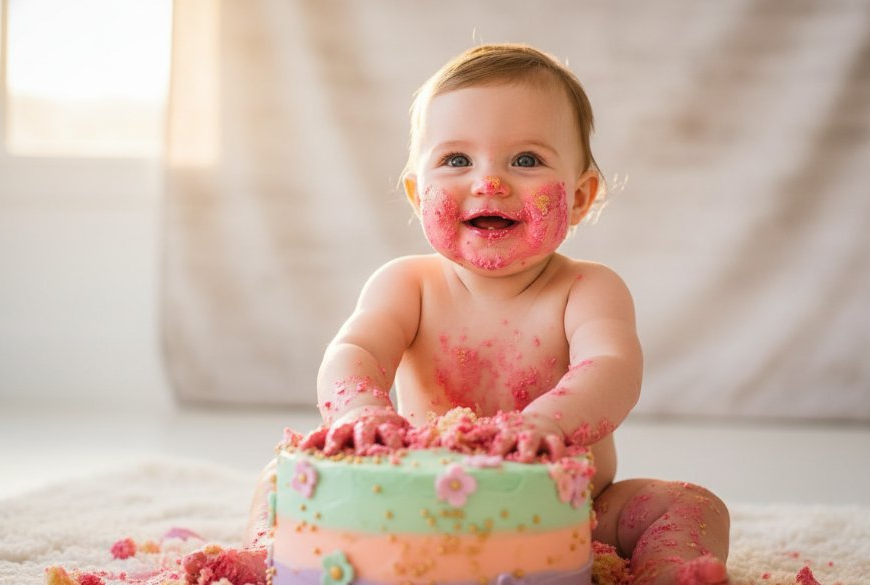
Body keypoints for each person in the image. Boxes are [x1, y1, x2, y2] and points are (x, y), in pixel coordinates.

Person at [248, 43, 730, 585]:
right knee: (277, 482)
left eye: (526, 160)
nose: (489, 182)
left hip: (568, 510)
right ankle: (269, 557)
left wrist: (548, 424)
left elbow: (613, 368)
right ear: (416, 193)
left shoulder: (586, 288)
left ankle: (667, 570)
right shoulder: (407, 285)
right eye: (457, 160)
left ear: (580, 197)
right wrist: (360, 413)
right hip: (411, 503)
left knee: (691, 504)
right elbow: (354, 351)